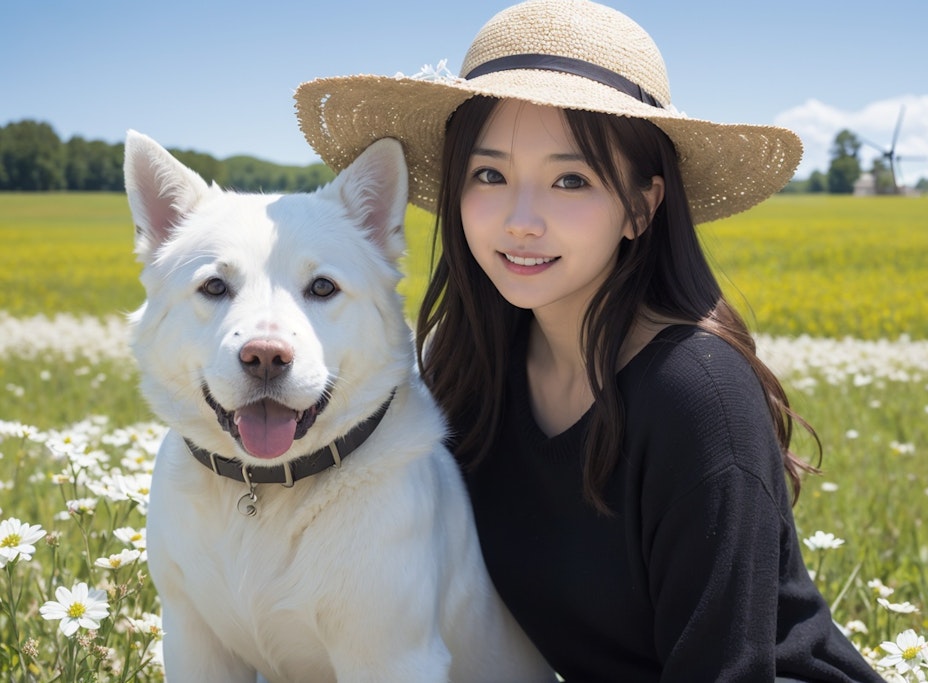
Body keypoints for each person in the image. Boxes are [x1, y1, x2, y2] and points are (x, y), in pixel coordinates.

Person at [294, 1, 884, 680]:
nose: (521, 221)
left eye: (569, 179)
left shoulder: (697, 396)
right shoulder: (472, 371)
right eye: (489, 174)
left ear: (641, 205)